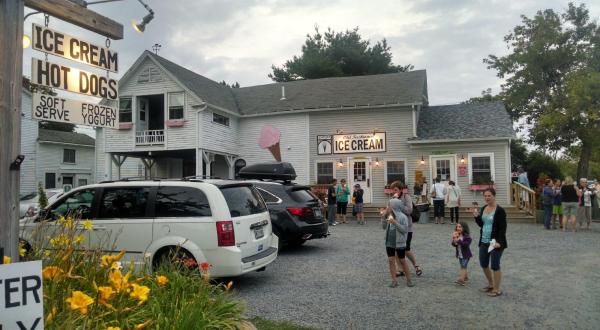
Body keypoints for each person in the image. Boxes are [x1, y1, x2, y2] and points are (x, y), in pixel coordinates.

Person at [472, 188, 507, 297]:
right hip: (484, 240)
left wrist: (499, 242)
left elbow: (503, 228)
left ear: (494, 196)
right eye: (485, 196)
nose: (487, 198)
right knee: (483, 263)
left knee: (495, 265)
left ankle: (497, 289)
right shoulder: (483, 208)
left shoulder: (499, 210)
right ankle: (491, 284)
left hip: (494, 241)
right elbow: (482, 225)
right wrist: (477, 217)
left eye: (489, 196)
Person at [390, 181, 423, 278]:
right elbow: (392, 210)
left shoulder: (406, 197)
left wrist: (398, 203)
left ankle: (416, 265)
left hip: (406, 227)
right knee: (396, 249)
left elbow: (409, 210)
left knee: (406, 249)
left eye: (395, 190)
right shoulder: (393, 198)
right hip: (396, 226)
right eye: (393, 190)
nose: (394, 191)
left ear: (400, 190)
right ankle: (400, 270)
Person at [381, 197, 415, 288]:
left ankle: (409, 280)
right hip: (389, 241)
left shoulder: (403, 217)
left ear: (394, 206)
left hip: (399, 242)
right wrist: (383, 217)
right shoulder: (389, 215)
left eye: (389, 205)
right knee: (391, 260)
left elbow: (404, 230)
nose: (387, 206)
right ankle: (394, 280)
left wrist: (395, 222)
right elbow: (384, 227)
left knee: (402, 260)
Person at [451, 222, 472, 286]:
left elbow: (466, 245)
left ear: (464, 228)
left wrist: (459, 240)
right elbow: (453, 244)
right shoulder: (457, 235)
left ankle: (461, 280)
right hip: (460, 255)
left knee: (463, 266)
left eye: (460, 227)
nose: (458, 228)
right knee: (463, 266)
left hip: (466, 255)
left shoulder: (467, 237)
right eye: (457, 227)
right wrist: (454, 241)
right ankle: (465, 277)